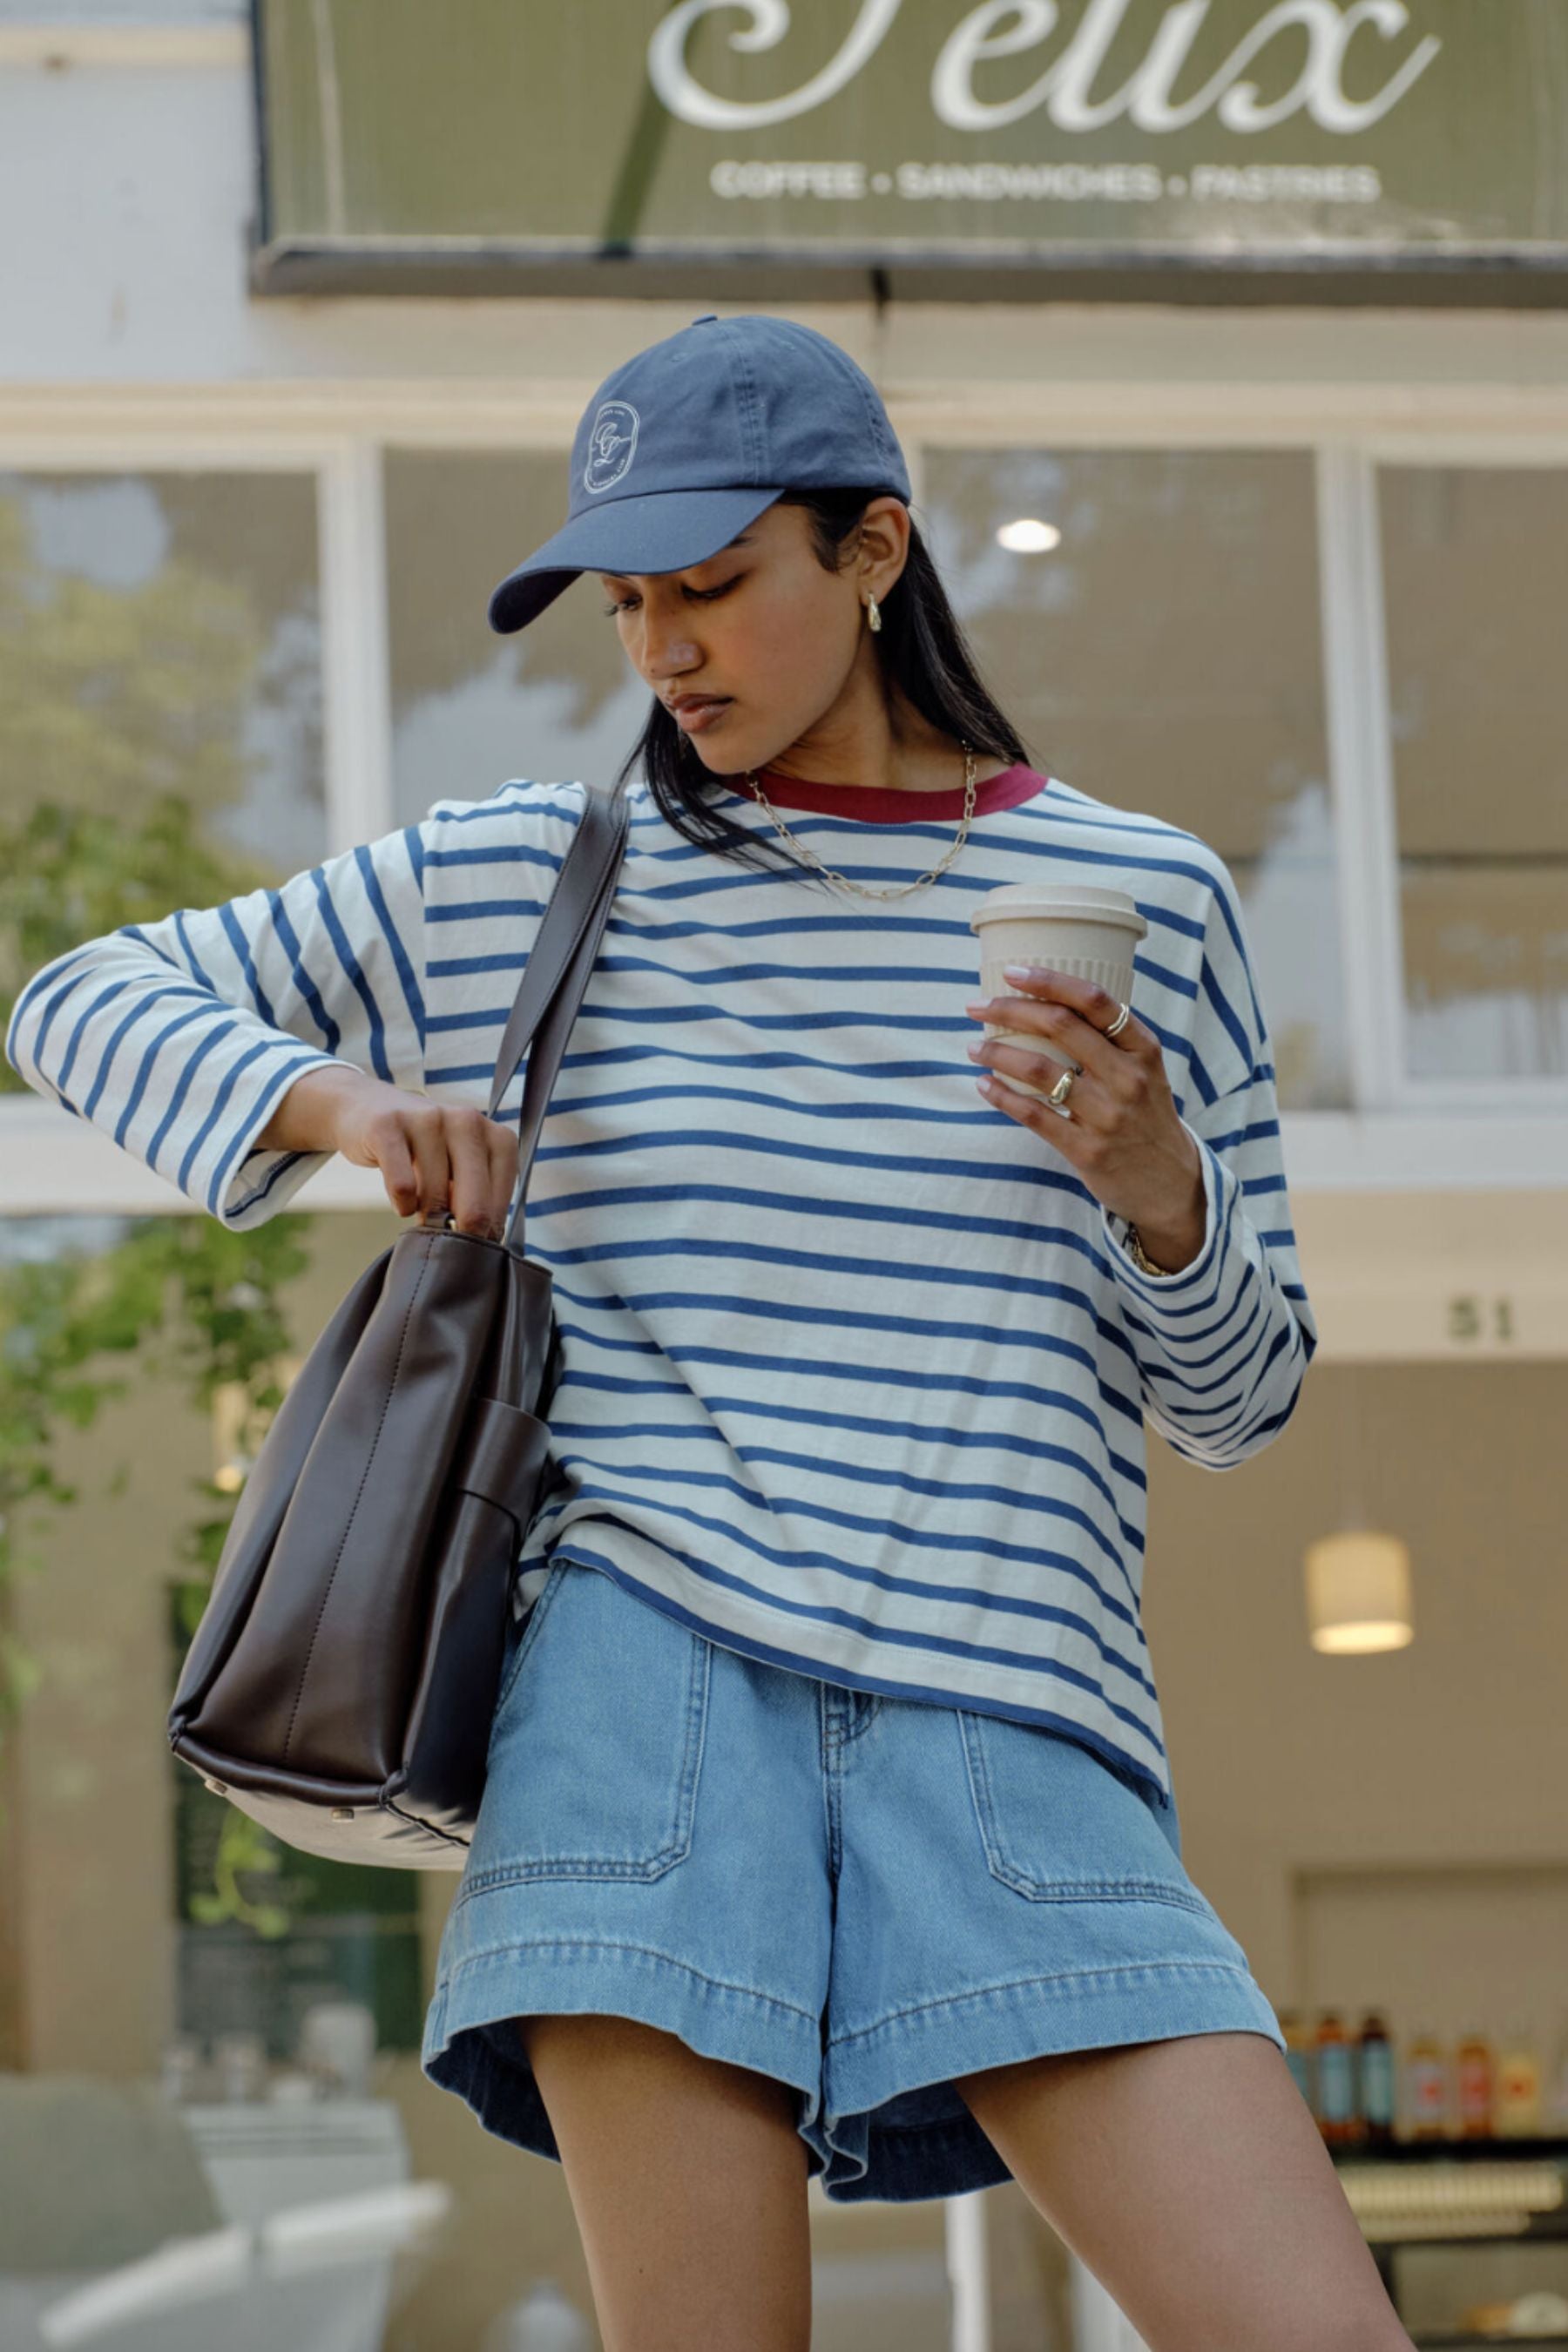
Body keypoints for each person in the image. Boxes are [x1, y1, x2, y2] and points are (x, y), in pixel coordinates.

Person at [5, 313, 1412, 2352]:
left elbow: (1245, 1399)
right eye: (629, 600)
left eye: (717, 584)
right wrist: (342, 1104)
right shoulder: (526, 874)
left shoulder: (1140, 899)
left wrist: (1159, 1188)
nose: (667, 647)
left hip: (1007, 1708)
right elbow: (74, 999)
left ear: (873, 551)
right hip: (641, 1709)